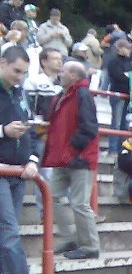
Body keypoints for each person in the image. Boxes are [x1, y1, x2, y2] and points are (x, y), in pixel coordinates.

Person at [0, 46, 50, 274]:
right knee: (8, 232)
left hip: (18, 172)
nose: (20, 77)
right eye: (16, 71)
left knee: (6, 233)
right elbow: (11, 131)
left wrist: (32, 159)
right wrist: (3, 131)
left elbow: (30, 130)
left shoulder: (20, 93)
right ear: (2, 63)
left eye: (23, 72)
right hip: (2, 171)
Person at [41, 61, 101, 260]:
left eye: (64, 71)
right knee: (51, 196)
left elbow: (89, 128)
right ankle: (70, 238)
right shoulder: (63, 95)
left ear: (74, 75)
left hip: (79, 158)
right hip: (63, 157)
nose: (60, 73)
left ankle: (90, 246)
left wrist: (71, 150)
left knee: (80, 203)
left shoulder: (82, 95)